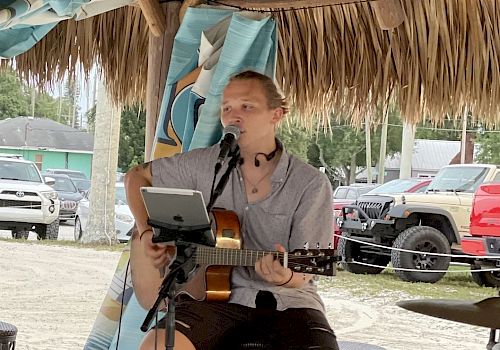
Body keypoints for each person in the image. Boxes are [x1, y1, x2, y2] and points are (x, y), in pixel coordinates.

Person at [125, 70, 339, 350]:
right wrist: (146, 232)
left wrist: (286, 275)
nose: (234, 117)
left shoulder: (310, 183)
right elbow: (137, 177)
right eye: (227, 108)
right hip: (209, 298)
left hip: (287, 302)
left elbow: (308, 268)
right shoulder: (205, 164)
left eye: (247, 107)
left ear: (277, 114)